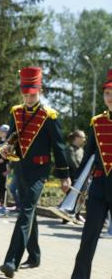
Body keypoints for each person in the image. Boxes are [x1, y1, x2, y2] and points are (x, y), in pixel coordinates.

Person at [0, 67, 71, 278]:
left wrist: (64, 176)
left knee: (25, 212)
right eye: (26, 94)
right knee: (28, 212)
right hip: (20, 169)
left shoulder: (49, 116)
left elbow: (59, 147)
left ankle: (11, 261)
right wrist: (6, 148)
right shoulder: (16, 112)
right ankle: (35, 255)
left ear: (39, 91)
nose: (29, 98)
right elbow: (13, 136)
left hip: (39, 172)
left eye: (33, 94)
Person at [71, 69, 112, 279]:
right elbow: (88, 157)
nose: (109, 97)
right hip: (98, 186)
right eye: (106, 93)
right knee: (88, 236)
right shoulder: (97, 122)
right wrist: (74, 187)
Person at [64, 129, 87, 224]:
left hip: (81, 177)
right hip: (73, 177)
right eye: (83, 137)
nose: (84, 139)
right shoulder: (69, 149)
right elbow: (73, 163)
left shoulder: (81, 150)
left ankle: (76, 216)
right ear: (77, 138)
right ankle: (66, 218)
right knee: (71, 197)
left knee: (79, 198)